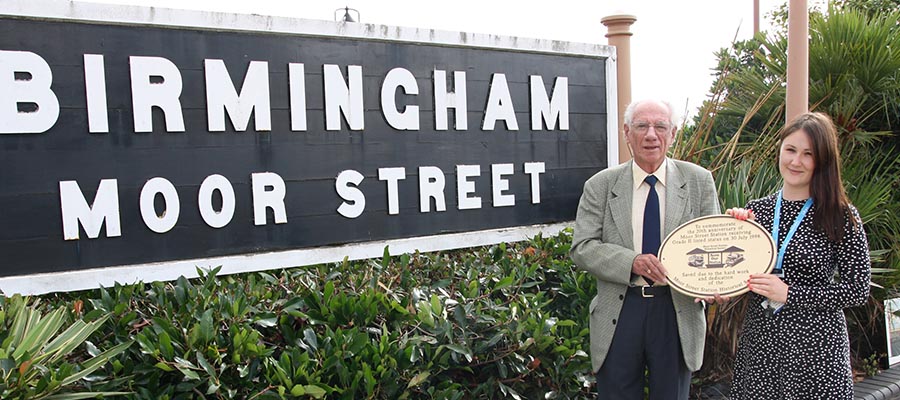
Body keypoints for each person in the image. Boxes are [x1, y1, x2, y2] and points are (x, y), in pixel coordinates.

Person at [570, 99, 720, 399]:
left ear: (673, 133)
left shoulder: (699, 182)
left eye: (660, 126)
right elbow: (582, 247)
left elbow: (711, 244)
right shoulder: (600, 185)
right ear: (627, 132)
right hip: (621, 309)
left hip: (676, 309)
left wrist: (713, 282)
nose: (651, 135)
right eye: (641, 126)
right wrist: (632, 262)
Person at [726, 112, 871, 399]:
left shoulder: (839, 215)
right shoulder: (757, 211)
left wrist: (791, 293)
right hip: (762, 349)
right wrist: (731, 233)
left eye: (808, 154)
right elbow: (734, 275)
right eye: (790, 150)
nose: (795, 161)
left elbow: (858, 289)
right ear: (779, 150)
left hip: (816, 353)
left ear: (823, 161)